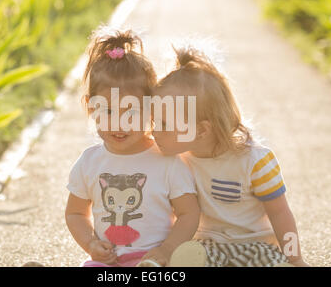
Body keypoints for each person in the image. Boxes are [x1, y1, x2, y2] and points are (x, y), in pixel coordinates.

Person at [152, 45, 309, 267]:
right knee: (185, 258)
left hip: (257, 246)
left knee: (273, 262)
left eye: (164, 124)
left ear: (201, 130)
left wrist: (295, 257)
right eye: (154, 121)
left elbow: (280, 212)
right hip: (207, 245)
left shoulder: (255, 161)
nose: (154, 131)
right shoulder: (177, 159)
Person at [65, 28, 200, 267]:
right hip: (108, 262)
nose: (119, 123)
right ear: (91, 106)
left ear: (152, 109)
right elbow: (75, 213)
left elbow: (189, 214)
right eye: (107, 111)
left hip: (153, 261)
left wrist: (167, 250)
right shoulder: (89, 162)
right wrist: (91, 244)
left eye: (132, 112)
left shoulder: (167, 161)